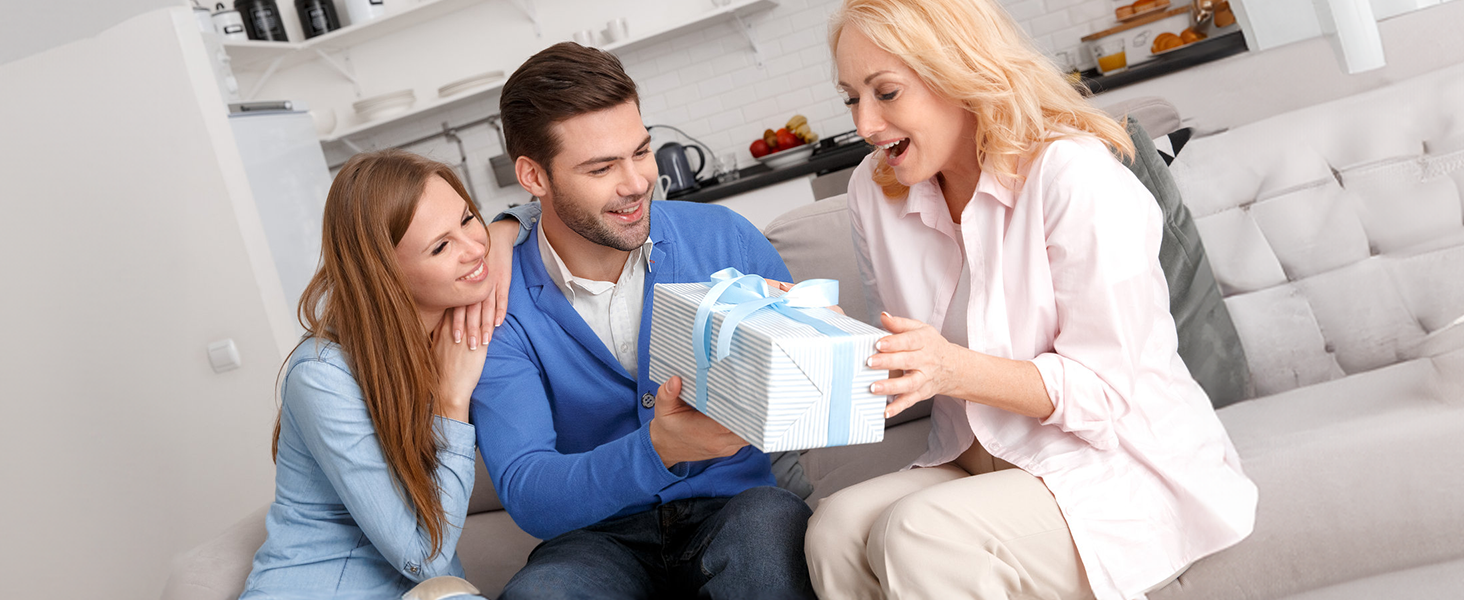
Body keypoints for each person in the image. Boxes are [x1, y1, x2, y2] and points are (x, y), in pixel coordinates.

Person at [804, 1, 1259, 599]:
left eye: (886, 92)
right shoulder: (875, 189)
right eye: (850, 99)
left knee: (918, 533)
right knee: (833, 529)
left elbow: (1104, 393)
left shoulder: (1072, 176)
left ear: (957, 73)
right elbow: (905, 349)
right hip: (978, 460)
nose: (865, 123)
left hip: (1116, 463)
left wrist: (950, 367)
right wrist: (820, 334)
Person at [471, 42, 815, 600]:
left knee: (766, 542)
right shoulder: (498, 302)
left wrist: (821, 343)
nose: (636, 183)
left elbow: (808, 397)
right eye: (601, 167)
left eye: (641, 150)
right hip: (595, 539)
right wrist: (659, 448)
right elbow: (529, 490)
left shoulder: (723, 238)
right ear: (533, 177)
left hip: (739, 510)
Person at [239, 150, 535, 600]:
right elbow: (425, 557)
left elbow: (555, 211)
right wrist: (453, 402)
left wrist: (505, 225)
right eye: (441, 246)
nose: (475, 250)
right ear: (386, 274)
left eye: (469, 218)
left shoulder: (465, 316)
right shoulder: (323, 375)